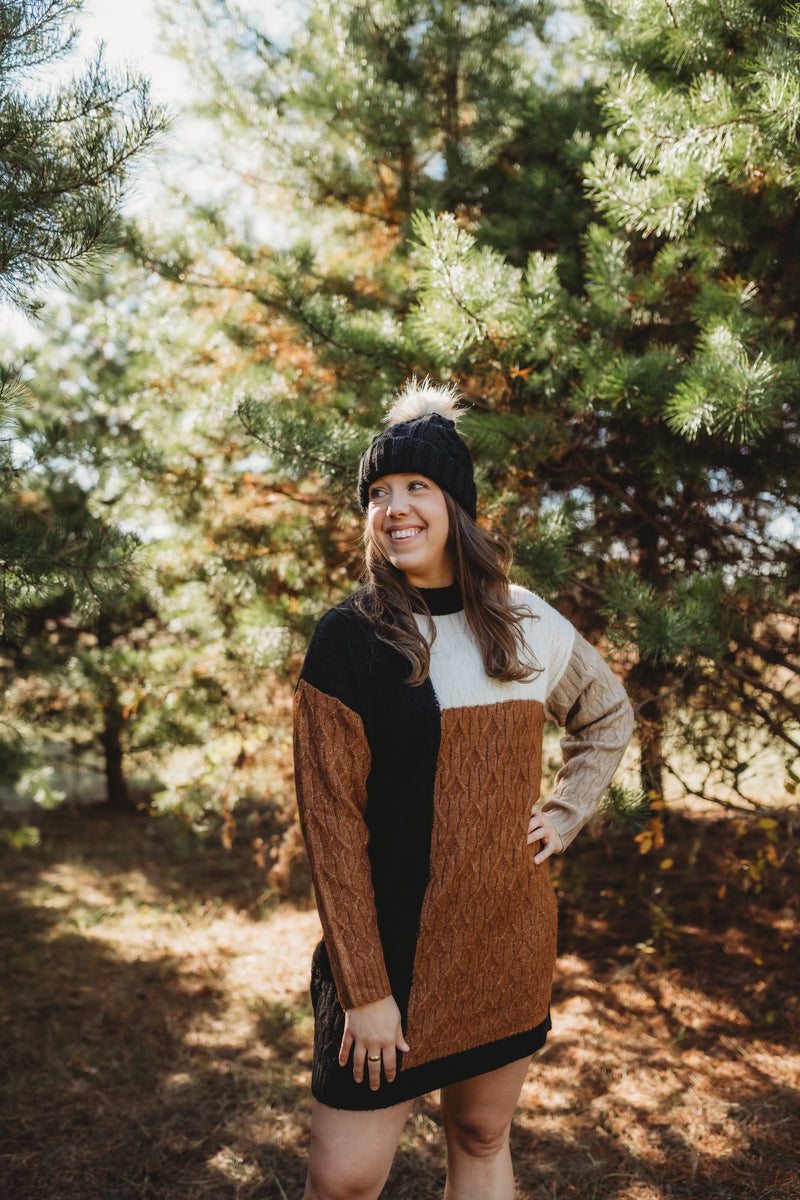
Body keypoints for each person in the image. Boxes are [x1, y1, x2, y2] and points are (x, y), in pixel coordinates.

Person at [293, 378, 634, 1200]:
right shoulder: (351, 636)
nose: (394, 507)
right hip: (391, 956)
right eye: (378, 493)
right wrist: (365, 992)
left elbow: (608, 711)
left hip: (504, 936)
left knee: (481, 1136)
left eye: (416, 486)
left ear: (457, 504)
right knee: (345, 1178)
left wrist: (566, 809)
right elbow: (332, 830)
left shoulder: (523, 622)